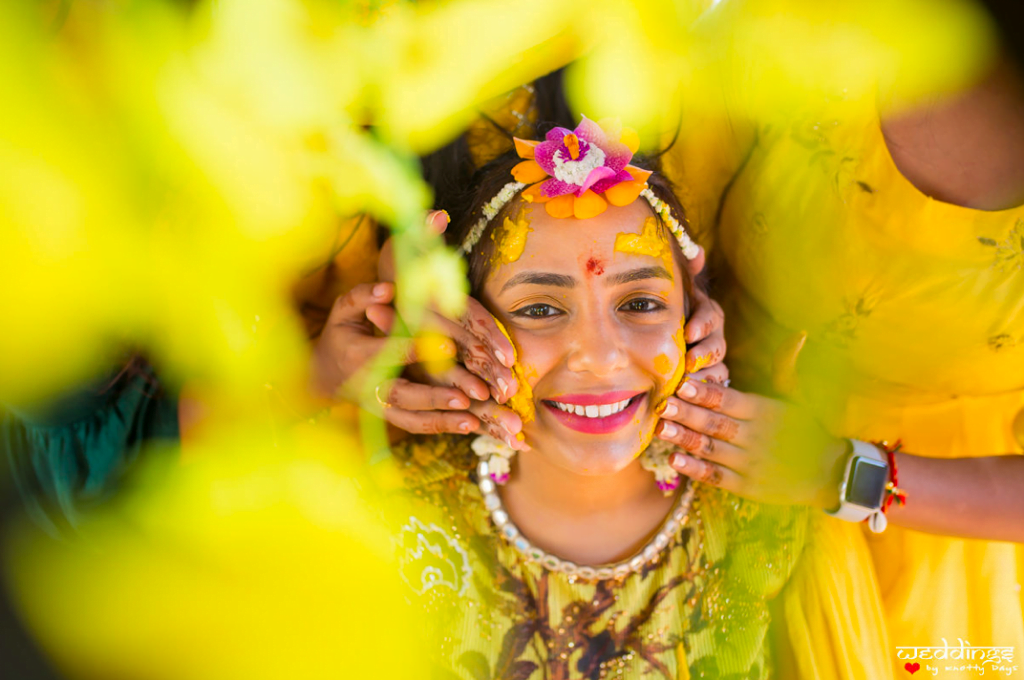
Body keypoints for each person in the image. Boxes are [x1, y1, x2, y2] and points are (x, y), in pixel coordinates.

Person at [340, 114, 891, 678]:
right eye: (539, 310)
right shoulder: (381, 522)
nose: (600, 356)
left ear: (696, 316)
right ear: (461, 327)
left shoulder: (770, 515)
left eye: (641, 304)